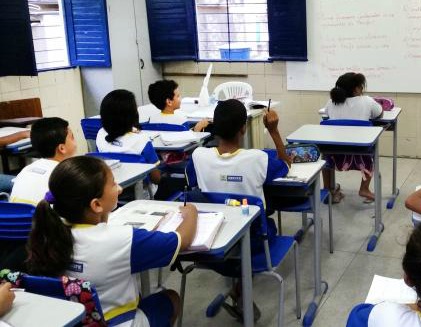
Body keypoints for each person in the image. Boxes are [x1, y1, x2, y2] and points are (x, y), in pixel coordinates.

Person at [26, 156, 198, 326]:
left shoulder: (49, 231)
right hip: (117, 322)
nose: (120, 189)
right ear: (96, 205)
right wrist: (191, 212)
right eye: (114, 184)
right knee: (171, 298)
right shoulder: (122, 239)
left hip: (74, 320)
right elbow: (182, 240)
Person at [190, 99, 292, 322]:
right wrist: (273, 132)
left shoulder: (198, 156)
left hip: (214, 240)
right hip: (254, 243)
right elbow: (285, 164)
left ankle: (238, 288)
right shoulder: (257, 159)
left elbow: (192, 178)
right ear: (243, 128)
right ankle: (241, 288)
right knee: (266, 223)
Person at [321, 72, 382, 203]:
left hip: (335, 151)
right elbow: (379, 113)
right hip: (361, 151)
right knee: (373, 153)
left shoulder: (332, 102)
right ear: (356, 89)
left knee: (325, 158)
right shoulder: (367, 101)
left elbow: (325, 115)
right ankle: (364, 189)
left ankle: (327, 190)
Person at [10, 117, 77, 205]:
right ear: (62, 148)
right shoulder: (66, 175)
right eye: (72, 137)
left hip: (18, 218)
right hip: (46, 218)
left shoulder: (26, 170)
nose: (75, 142)